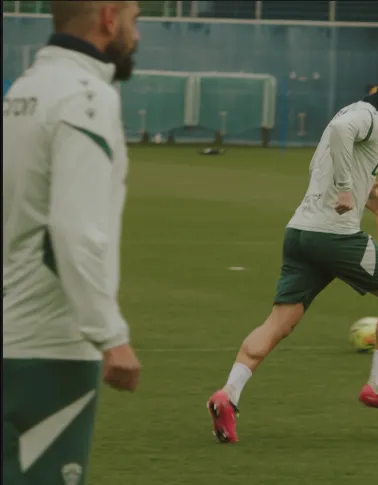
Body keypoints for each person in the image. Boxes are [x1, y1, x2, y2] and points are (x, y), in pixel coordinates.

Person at [207, 65, 378, 443]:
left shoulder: (351, 110)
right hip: (335, 237)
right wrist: (346, 189)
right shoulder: (370, 117)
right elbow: (343, 139)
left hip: (300, 233)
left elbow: (324, 156)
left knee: (280, 323)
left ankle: (228, 394)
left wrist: (365, 194)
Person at [2, 2, 142, 484]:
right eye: (135, 19)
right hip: (52, 345)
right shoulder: (87, 98)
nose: (136, 34)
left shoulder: (22, 89)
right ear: (109, 17)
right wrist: (111, 336)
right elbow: (73, 228)